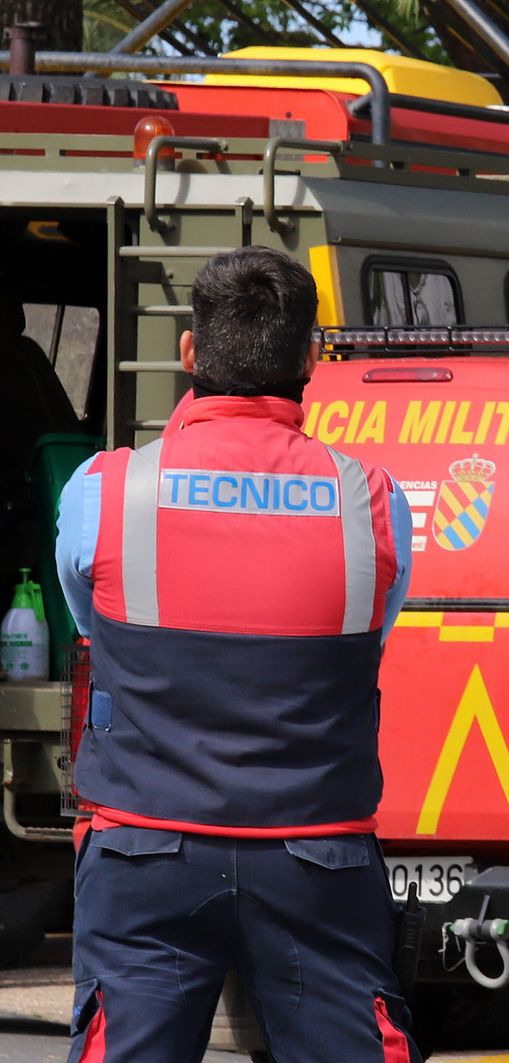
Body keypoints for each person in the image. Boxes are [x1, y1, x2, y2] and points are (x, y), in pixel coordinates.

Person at [57, 247, 419, 1062]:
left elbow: (95, 625)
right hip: (316, 856)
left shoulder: (103, 492)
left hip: (144, 848)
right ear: (310, 358)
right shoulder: (373, 503)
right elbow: (368, 636)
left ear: (191, 353)